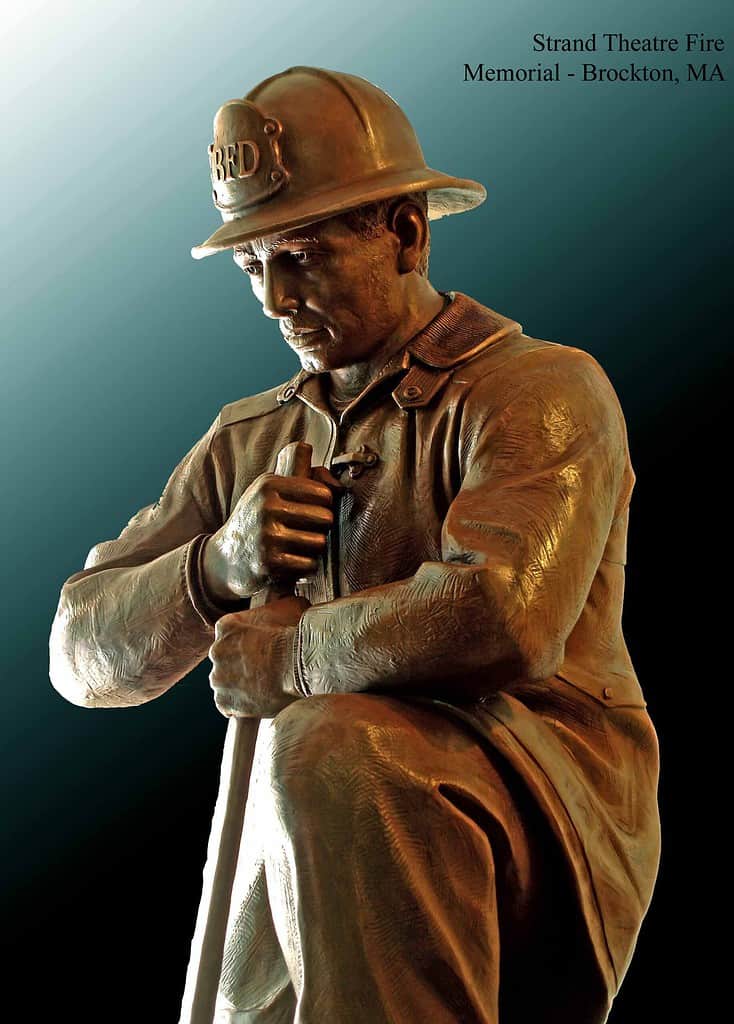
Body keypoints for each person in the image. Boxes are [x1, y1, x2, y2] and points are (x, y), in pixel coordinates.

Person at [49, 67, 660, 1024]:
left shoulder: (538, 390)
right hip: (316, 822)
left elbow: (507, 616)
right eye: (253, 267)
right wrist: (215, 568)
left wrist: (292, 656)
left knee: (335, 747)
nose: (274, 298)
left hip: (527, 796)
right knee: (309, 801)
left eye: (300, 256)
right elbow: (79, 653)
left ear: (406, 233)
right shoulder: (251, 437)